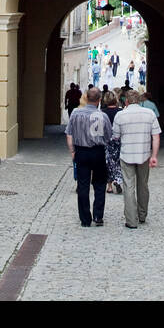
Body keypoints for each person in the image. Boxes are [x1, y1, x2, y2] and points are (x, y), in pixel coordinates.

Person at [112, 91, 161, 229]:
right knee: (143, 185)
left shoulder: (120, 115)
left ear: (126, 101)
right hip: (144, 155)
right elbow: (156, 136)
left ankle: (131, 220)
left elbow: (115, 136)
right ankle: (142, 215)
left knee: (128, 186)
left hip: (127, 154)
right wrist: (154, 156)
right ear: (139, 101)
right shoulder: (149, 114)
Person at [64, 86, 111, 227]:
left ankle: (85, 219)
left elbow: (69, 133)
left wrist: (72, 151)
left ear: (86, 97)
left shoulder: (76, 114)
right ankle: (98, 215)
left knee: (83, 185)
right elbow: (109, 136)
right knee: (100, 184)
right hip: (98, 152)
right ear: (99, 100)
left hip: (81, 152)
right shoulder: (103, 116)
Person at [102, 92, 123, 195]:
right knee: (118, 161)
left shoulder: (102, 112)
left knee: (108, 162)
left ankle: (109, 186)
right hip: (118, 139)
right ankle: (117, 180)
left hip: (107, 141)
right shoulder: (121, 112)